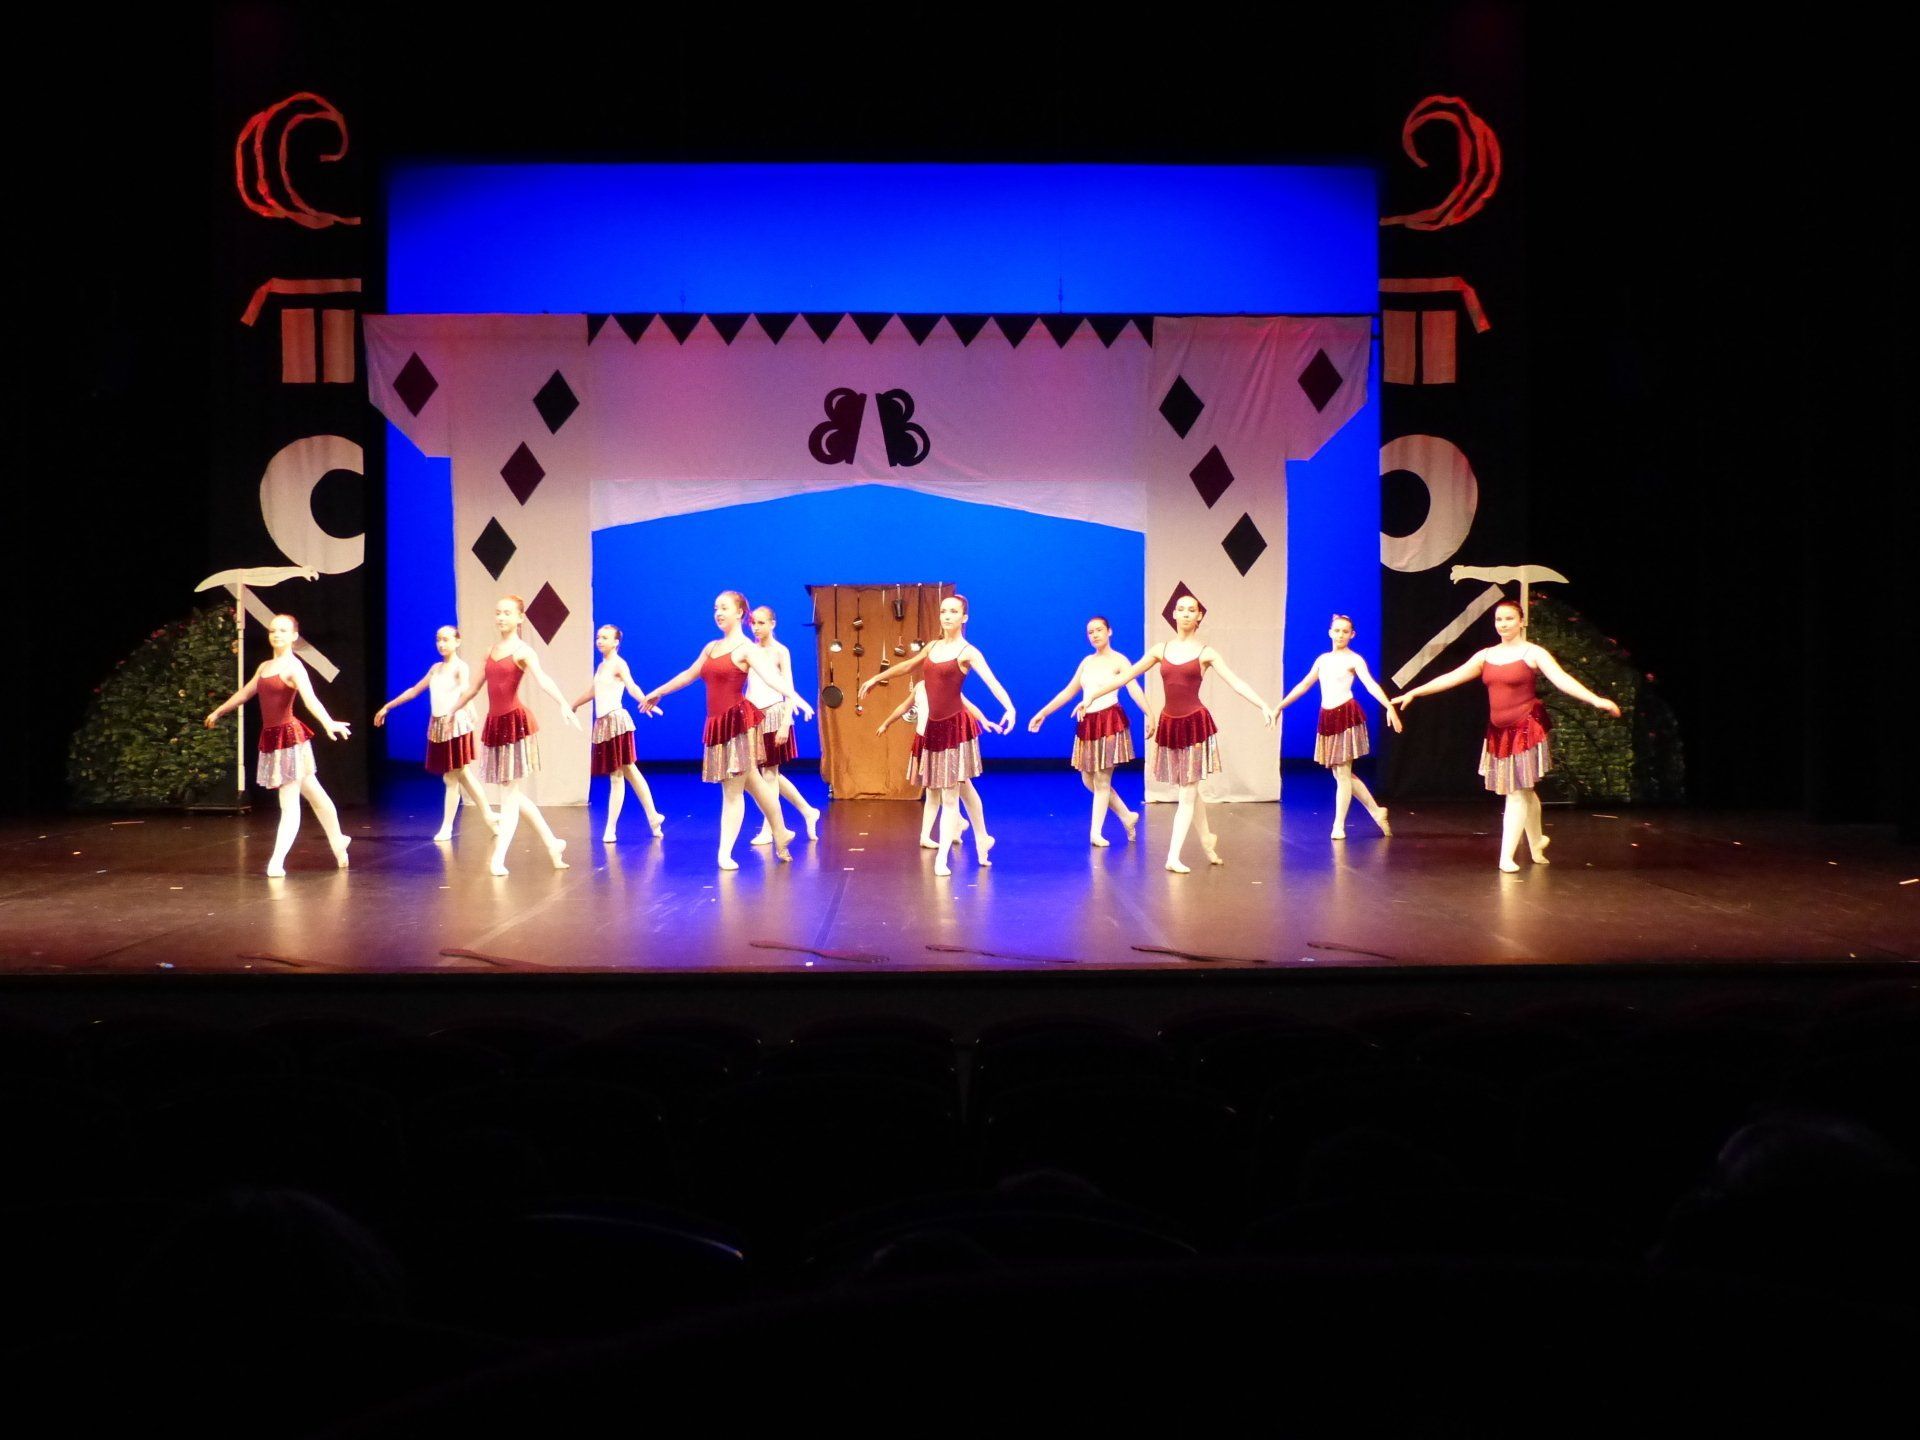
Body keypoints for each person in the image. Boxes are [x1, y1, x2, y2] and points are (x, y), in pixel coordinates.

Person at [1392, 596, 1621, 871]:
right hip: (1499, 732)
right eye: (1499, 619)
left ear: (1522, 622)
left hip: (1526, 728)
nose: (1503, 624)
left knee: (1516, 791)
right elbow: (1451, 677)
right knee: (1525, 789)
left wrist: (1596, 700)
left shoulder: (1533, 653)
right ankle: (1536, 842)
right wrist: (1415, 692)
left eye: (1509, 618)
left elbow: (1562, 680)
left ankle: (1506, 856)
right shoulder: (1486, 656)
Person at [1079, 594, 1276, 873]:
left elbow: (1235, 682)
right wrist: (1091, 697)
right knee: (1188, 787)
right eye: (1180, 609)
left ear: (1199, 617)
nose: (1185, 613)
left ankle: (1173, 856)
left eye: (1191, 610)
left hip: (1195, 725)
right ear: (1174, 614)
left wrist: (1263, 704)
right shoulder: (1161, 649)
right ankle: (1207, 838)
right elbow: (1125, 677)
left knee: (1187, 790)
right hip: (1171, 724)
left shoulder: (1207, 653)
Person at [640, 591, 815, 870]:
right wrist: (658, 692)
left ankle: (725, 852)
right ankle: (781, 831)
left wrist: (797, 699)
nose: (718, 613)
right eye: (715, 608)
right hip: (717, 722)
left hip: (737, 723)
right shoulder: (710, 647)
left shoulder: (747, 649)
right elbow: (689, 674)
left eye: (724, 608)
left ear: (739, 613)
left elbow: (773, 678)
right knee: (754, 782)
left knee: (732, 790)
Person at [856, 594, 1015, 877]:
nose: (947, 616)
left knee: (951, 794)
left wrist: (1009, 708)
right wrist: (875, 678)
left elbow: (992, 682)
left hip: (955, 728)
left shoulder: (968, 652)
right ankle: (982, 838)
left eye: (954, 612)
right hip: (934, 728)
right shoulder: (932, 646)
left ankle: (943, 857)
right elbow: (907, 666)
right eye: (943, 611)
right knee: (964, 787)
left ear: (964, 617)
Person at [203, 612, 352, 877]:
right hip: (274, 739)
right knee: (315, 793)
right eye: (273, 630)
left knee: (289, 801)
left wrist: (329, 723)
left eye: (283, 631)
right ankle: (338, 840)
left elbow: (311, 700)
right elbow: (245, 693)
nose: (276, 635)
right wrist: (219, 711)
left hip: (289, 739)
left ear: (294, 636)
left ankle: (277, 860)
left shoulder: (294, 667)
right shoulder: (264, 667)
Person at [446, 594, 583, 875]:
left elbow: (543, 679)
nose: (501, 618)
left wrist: (563, 705)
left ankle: (498, 858)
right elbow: (472, 689)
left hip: (514, 725)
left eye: (507, 613)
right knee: (513, 794)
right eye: (498, 613)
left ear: (520, 618)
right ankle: (552, 842)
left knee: (509, 795)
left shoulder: (523, 652)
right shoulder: (490, 651)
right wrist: (452, 712)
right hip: (495, 725)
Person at [1275, 613, 1402, 841]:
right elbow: (1304, 685)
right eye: (1337, 630)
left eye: (1345, 631)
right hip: (1327, 717)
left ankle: (1338, 825)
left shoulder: (1354, 659)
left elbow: (1371, 685)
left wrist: (1389, 706)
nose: (1341, 634)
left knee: (1342, 774)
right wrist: (1279, 707)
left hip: (1346, 715)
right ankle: (1376, 810)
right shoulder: (1322, 659)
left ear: (1352, 635)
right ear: (1330, 632)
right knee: (1341, 774)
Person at [1027, 614, 1148, 846]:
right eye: (1090, 632)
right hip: (1088, 724)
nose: (1095, 635)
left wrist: (1149, 714)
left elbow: (1133, 689)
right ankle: (1126, 815)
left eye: (1099, 630)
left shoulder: (1120, 660)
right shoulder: (1087, 662)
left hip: (1110, 721)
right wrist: (1043, 713)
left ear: (1109, 632)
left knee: (1102, 780)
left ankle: (1096, 833)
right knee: (1088, 780)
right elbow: (1068, 692)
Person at [373, 624, 498, 843]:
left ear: (457, 641)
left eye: (447, 639)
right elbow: (413, 690)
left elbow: (466, 691)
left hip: (454, 724)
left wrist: (470, 713)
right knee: (462, 775)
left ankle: (447, 827)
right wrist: (388, 706)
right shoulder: (435, 668)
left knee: (451, 778)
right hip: (438, 725)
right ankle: (488, 816)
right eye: (439, 639)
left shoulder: (460, 667)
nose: (441, 644)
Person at [571, 624, 665, 844]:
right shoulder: (602, 666)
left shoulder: (618, 664)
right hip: (603, 725)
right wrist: (574, 704)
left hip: (616, 722)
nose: (600, 640)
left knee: (618, 775)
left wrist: (646, 702)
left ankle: (610, 828)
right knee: (630, 772)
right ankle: (653, 817)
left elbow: (631, 686)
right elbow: (594, 691)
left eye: (605, 637)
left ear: (616, 642)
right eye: (598, 637)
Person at [876, 678, 993, 850]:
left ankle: (959, 826)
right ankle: (946, 829)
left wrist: (983, 720)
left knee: (952, 790)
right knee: (934, 792)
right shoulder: (920, 687)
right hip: (927, 742)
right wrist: (886, 723)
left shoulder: (948, 686)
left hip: (944, 745)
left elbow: (968, 706)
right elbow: (903, 707)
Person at [744, 605, 823, 847]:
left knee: (769, 774)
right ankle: (807, 810)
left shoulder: (780, 652)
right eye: (753, 623)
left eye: (761, 623)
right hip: (752, 715)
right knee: (764, 775)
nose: (756, 628)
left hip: (774, 714)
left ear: (772, 624)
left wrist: (786, 720)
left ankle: (771, 828)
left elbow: (787, 687)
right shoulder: (748, 650)